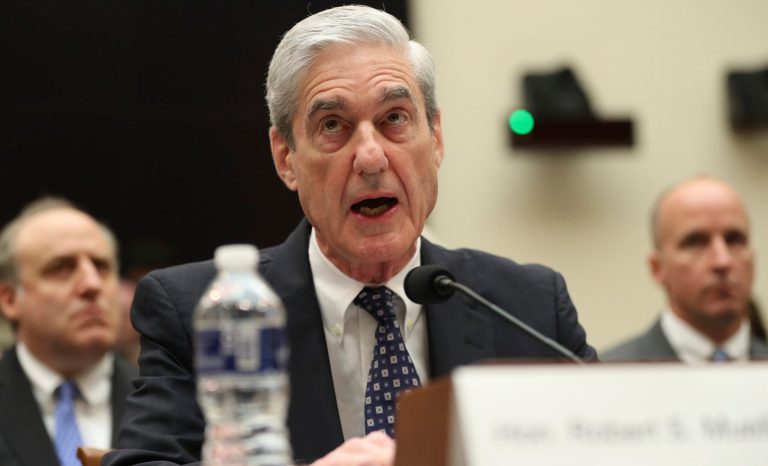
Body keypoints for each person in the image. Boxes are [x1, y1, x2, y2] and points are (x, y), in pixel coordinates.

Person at [105, 5, 596, 466]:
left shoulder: (529, 308)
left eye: (394, 119)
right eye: (333, 125)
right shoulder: (199, 312)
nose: (371, 157)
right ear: (285, 158)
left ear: (436, 137)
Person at [0, 197, 137, 466]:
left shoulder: (170, 404)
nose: (92, 284)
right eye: (61, 268)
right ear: (10, 299)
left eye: (101, 266)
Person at [603, 177, 768, 363]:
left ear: (753, 259)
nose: (723, 261)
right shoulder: (606, 374)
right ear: (657, 268)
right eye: (696, 242)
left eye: (734, 240)